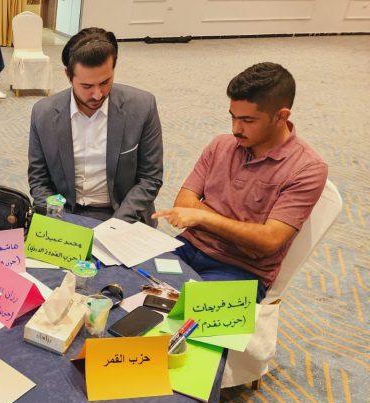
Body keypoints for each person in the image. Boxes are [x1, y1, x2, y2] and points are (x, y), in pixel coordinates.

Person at [153, 63, 328, 303]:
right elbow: (183, 203)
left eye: (248, 120)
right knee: (127, 282)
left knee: (187, 317)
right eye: (233, 117)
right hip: (189, 246)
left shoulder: (307, 168)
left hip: (242, 271)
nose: (236, 129)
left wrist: (202, 217)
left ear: (281, 116)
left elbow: (268, 241)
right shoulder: (221, 145)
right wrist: (244, 235)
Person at [28, 27, 163, 224]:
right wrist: (59, 221)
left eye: (105, 82)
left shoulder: (143, 107)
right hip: (66, 212)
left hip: (123, 214)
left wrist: (116, 225)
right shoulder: (44, 113)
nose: (98, 94)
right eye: (87, 86)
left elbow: (150, 178)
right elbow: (39, 180)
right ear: (68, 75)